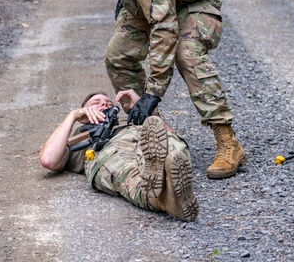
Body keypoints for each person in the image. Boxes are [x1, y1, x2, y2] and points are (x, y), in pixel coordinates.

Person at [61, 0, 245, 180]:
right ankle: (157, 137)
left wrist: (153, 93)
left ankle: (228, 144)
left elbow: (164, 27)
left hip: (194, 0)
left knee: (186, 53)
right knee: (117, 56)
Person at [39, 89, 199, 221]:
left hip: (145, 138)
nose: (104, 103)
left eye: (108, 102)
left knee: (171, 144)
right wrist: (73, 116)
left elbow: (169, 132)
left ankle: (165, 184)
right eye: (96, 103)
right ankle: (159, 196)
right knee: (126, 169)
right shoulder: (79, 135)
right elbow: (48, 160)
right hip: (110, 147)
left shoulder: (133, 119)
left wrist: (141, 105)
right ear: (84, 113)